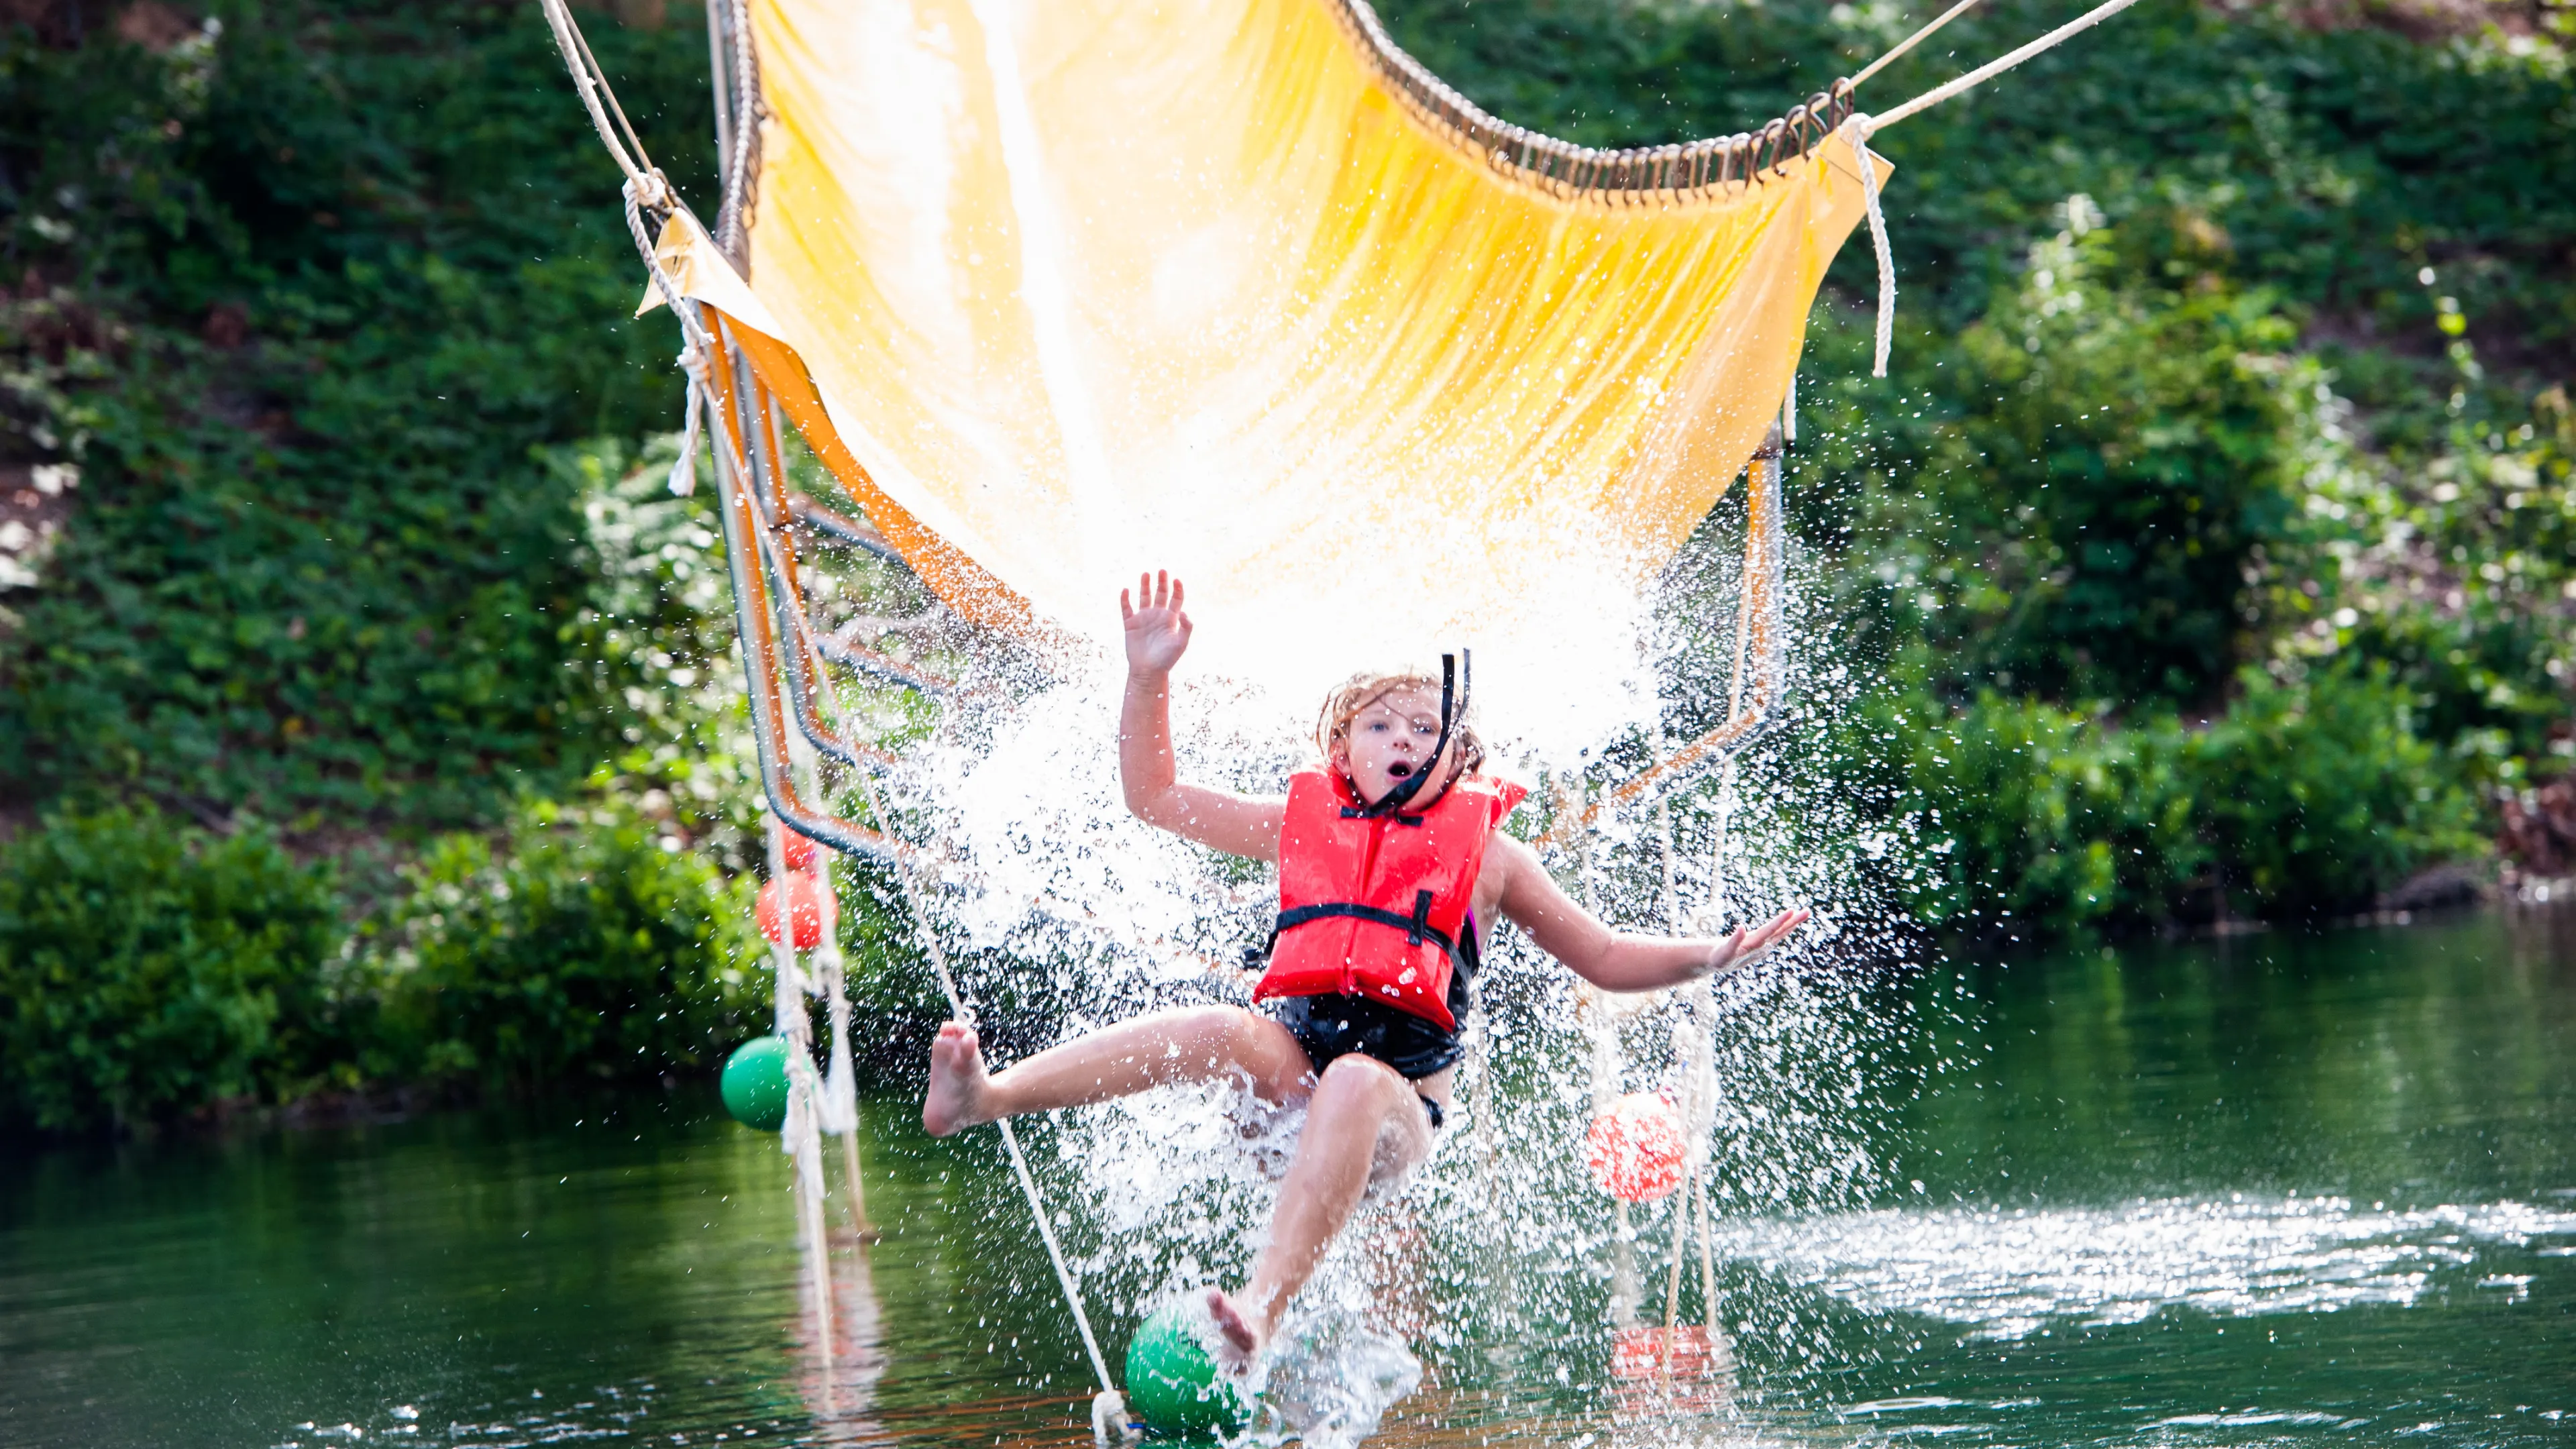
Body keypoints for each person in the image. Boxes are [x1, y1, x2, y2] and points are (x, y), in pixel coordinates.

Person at [922, 571, 1807, 1357]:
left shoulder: (1493, 858)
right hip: (1288, 1087)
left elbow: (1605, 957)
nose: (1403, 738)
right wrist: (1149, 678)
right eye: (1380, 724)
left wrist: (1709, 954)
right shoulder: (1300, 820)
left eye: (1426, 726)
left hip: (1394, 1117)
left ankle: (1261, 1308)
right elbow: (1154, 798)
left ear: (1461, 756)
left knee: (1351, 1079)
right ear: (1341, 751)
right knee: (1221, 1026)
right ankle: (989, 1098)